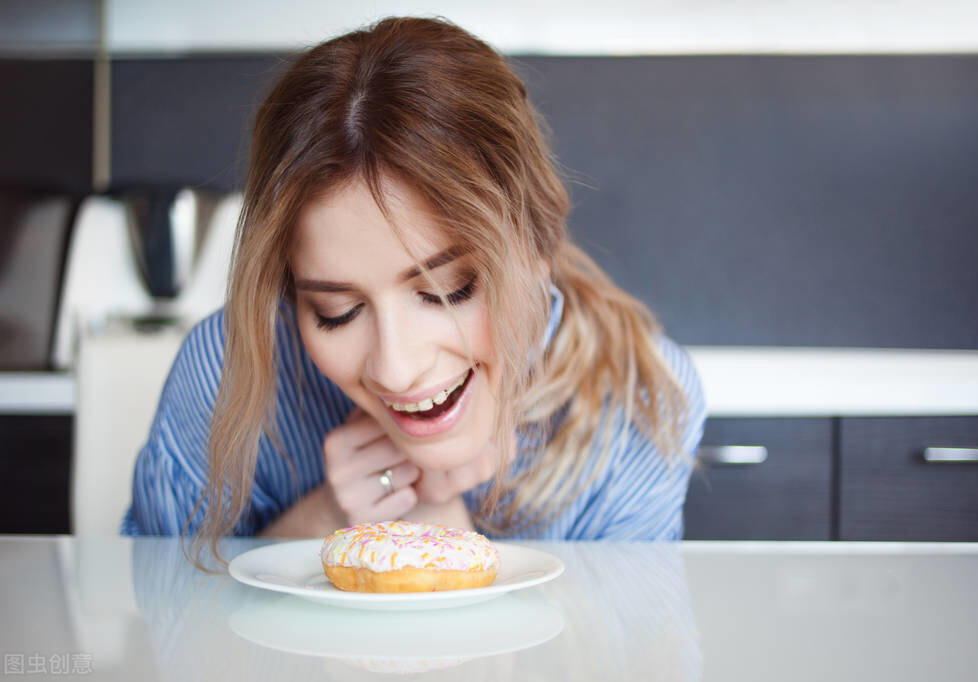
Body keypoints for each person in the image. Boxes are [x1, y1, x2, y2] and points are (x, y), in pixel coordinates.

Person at [121, 16, 706, 564]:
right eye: (336, 312)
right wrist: (321, 521)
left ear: (537, 246)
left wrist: (437, 531)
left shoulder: (642, 404)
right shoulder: (223, 370)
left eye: (449, 291)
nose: (397, 371)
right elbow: (161, 638)